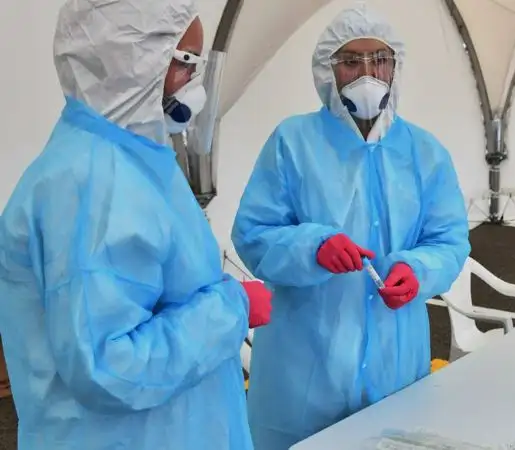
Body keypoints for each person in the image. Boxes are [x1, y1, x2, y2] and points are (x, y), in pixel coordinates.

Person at [0, 0, 271, 448]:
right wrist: (232, 309)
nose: (194, 82)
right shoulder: (93, 182)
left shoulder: (131, 160)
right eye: (186, 62)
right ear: (132, 60)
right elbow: (109, 367)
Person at [231, 4, 471, 449]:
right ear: (328, 70)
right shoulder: (293, 142)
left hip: (396, 360)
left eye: (379, 59)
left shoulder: (425, 152)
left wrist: (418, 270)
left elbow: (450, 239)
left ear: (395, 66)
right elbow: (253, 233)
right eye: (351, 61)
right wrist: (312, 248)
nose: (367, 73)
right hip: (305, 366)